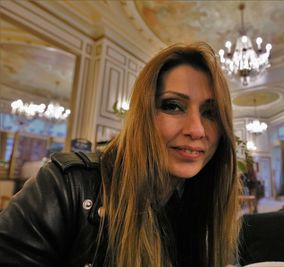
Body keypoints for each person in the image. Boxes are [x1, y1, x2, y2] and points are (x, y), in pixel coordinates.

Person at [0, 42, 242, 267]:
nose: (196, 130)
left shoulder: (200, 204)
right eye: (173, 106)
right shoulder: (65, 186)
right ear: (142, 116)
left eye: (210, 113)